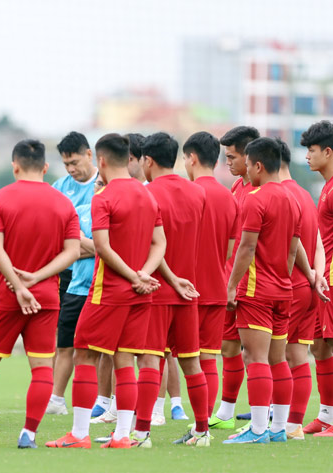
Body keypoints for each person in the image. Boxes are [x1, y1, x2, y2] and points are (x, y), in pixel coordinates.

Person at [0, 139, 80, 449]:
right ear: (45, 167)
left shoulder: (1, 198)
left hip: (7, 295)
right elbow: (73, 251)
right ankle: (29, 435)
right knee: (41, 367)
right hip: (47, 296)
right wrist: (37, 278)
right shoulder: (63, 203)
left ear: (15, 166)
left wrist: (19, 286)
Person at [47, 133, 165, 450]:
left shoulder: (103, 197)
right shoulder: (148, 195)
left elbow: (101, 247)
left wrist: (131, 276)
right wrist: (144, 275)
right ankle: (123, 436)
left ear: (100, 160)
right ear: (129, 158)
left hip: (109, 291)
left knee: (83, 353)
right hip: (142, 293)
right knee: (126, 359)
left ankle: (80, 434)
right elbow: (160, 243)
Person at [132, 132, 210, 447]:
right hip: (188, 291)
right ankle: (202, 432)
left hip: (155, 290)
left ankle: (141, 433)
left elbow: (152, 245)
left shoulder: (145, 193)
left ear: (147, 160)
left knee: (150, 361)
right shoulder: (197, 193)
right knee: (192, 362)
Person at [223, 137, 302, 444]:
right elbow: (293, 250)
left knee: (254, 357)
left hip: (257, 291)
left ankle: (257, 430)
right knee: (278, 360)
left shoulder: (255, 198)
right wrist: (283, 276)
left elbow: (246, 246)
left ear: (257, 165)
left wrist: (231, 286)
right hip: (284, 289)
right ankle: (279, 428)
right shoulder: (292, 198)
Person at [182, 131, 239, 427]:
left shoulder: (187, 192)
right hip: (216, 287)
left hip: (185, 290)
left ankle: (144, 422)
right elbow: (230, 250)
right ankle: (202, 424)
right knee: (208, 359)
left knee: (160, 357)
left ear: (192, 158)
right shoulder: (229, 197)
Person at [278, 137, 328, 439]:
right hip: (311, 285)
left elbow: (292, 242)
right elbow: (320, 242)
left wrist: (309, 272)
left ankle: (270, 423)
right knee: (303, 355)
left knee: (273, 356)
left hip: (289, 286)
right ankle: (296, 424)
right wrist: (316, 274)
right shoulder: (308, 194)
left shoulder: (280, 194)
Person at [46, 131, 98, 417]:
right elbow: (58, 235)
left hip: (104, 275)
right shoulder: (59, 188)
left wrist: (82, 246)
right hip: (68, 275)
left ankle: (106, 401)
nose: (70, 169)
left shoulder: (105, 183)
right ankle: (56, 398)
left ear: (89, 155)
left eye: (75, 162)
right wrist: (91, 247)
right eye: (66, 164)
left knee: (100, 347)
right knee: (64, 340)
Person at [212, 126, 261, 428]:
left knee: (260, 352)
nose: (227, 162)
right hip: (232, 280)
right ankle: (226, 413)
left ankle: (270, 415)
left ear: (249, 156)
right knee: (228, 347)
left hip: (255, 283)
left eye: (232, 157)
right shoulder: (236, 188)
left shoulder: (262, 192)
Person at [301, 120, 333, 437]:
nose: (307, 156)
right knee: (320, 347)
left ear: (327, 151)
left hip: (332, 280)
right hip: (323, 280)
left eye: (311, 150)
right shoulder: (326, 186)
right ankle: (326, 416)